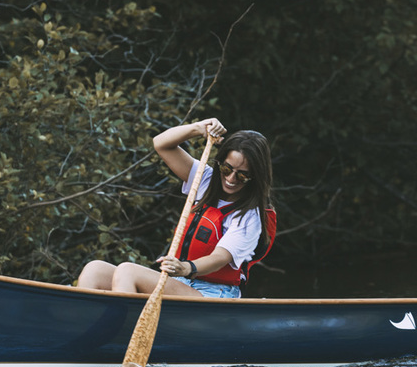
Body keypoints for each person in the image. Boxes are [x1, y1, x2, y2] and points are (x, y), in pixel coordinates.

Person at [77, 117, 275, 299]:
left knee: (128, 271)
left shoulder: (250, 216)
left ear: (255, 177)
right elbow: (162, 144)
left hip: (213, 294)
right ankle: (83, 328)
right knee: (95, 269)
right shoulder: (204, 179)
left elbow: (220, 257)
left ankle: (127, 332)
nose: (231, 179)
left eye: (242, 175)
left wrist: (186, 268)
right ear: (220, 163)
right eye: (226, 169)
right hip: (182, 283)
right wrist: (199, 128)